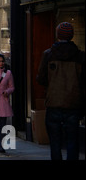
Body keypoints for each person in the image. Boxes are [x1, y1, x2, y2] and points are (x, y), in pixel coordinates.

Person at [37, 22, 85, 160]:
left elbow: (41, 78)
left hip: (54, 102)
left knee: (55, 142)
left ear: (58, 35)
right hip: (74, 103)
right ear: (72, 36)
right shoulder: (80, 56)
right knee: (72, 140)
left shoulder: (49, 54)